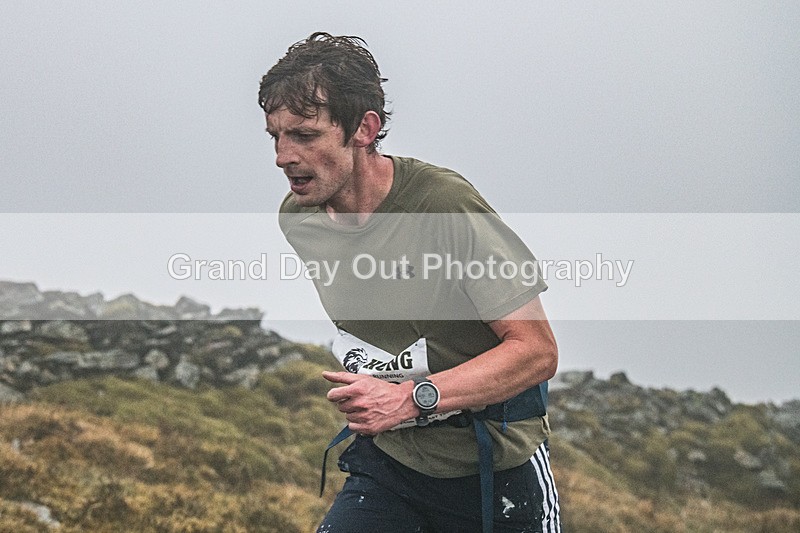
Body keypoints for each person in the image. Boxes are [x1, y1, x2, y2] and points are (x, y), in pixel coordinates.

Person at [259, 32, 562, 533]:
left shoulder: (442, 205)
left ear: (364, 128)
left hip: (494, 471)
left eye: (305, 136)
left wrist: (408, 398)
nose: (282, 156)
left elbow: (537, 352)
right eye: (275, 136)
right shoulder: (299, 219)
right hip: (391, 464)